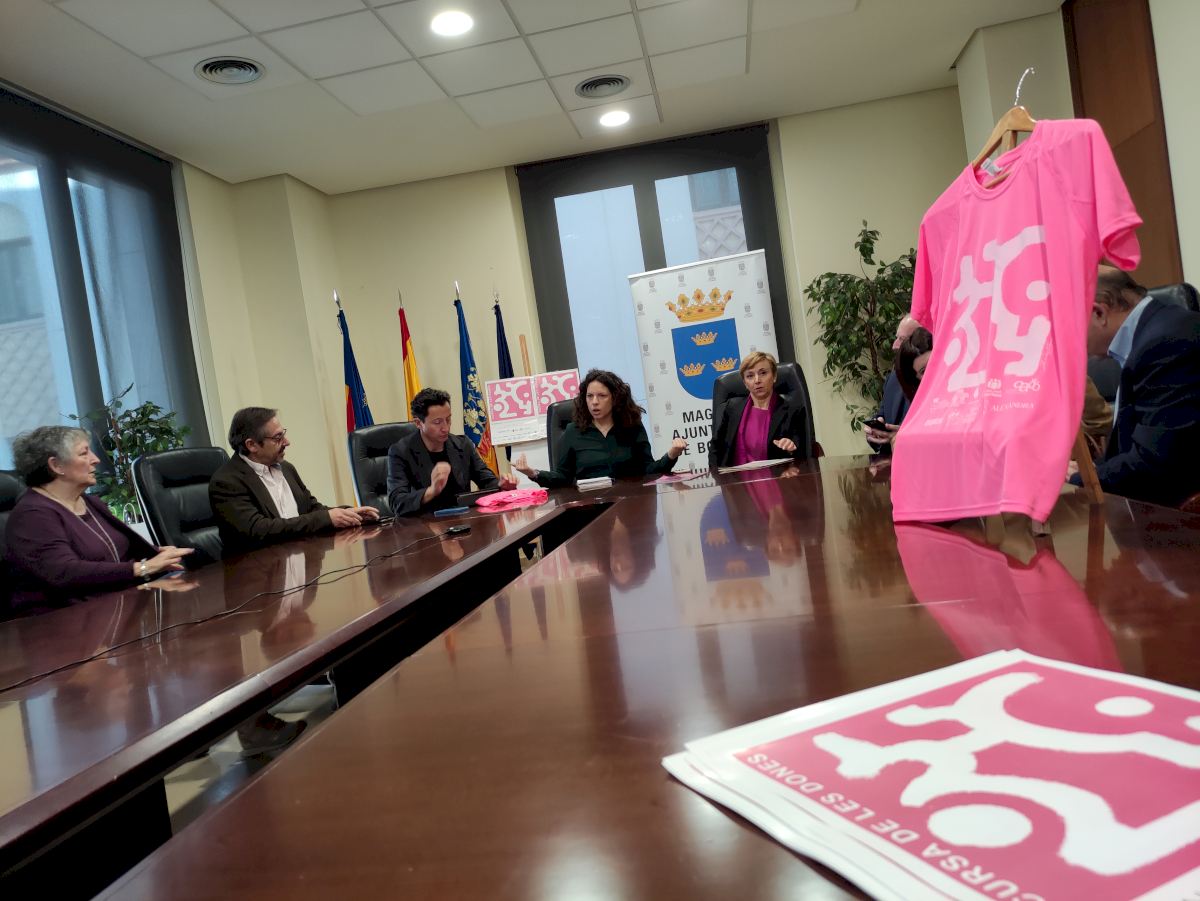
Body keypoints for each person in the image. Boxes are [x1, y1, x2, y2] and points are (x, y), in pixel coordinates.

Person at [5, 426, 193, 613]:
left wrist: (156, 553)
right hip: (66, 620)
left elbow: (115, 551)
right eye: (84, 453)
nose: (96, 459)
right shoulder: (31, 514)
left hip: (118, 606)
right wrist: (142, 568)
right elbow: (63, 571)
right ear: (56, 466)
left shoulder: (89, 502)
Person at [1070, 266, 1200, 507]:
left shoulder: (1165, 343)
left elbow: (1153, 462)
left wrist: (1080, 479)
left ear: (1098, 312)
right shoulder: (1154, 333)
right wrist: (1091, 469)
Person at [210, 407, 378, 555]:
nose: (287, 442)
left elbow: (311, 509)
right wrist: (327, 518)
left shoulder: (286, 468)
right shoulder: (227, 482)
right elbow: (258, 530)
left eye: (283, 434)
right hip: (260, 574)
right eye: (278, 438)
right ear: (252, 445)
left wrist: (349, 514)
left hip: (302, 561)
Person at [513, 369, 686, 487]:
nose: (594, 402)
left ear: (615, 398)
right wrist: (532, 472)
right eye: (589, 396)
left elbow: (648, 471)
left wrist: (671, 455)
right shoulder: (573, 431)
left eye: (602, 396)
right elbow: (563, 477)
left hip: (631, 504)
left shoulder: (632, 426)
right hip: (590, 506)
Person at [387, 387, 516, 516]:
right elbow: (397, 502)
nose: (446, 428)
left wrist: (501, 485)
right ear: (418, 423)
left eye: (448, 419)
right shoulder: (401, 452)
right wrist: (431, 491)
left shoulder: (463, 445)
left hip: (464, 519)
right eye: (437, 422)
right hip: (425, 523)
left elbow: (487, 481)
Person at [707, 352, 812, 469]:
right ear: (745, 383)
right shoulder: (732, 408)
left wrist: (791, 447)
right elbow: (716, 447)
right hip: (734, 478)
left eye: (763, 373)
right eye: (750, 376)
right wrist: (716, 475)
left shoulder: (792, 410)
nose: (757, 380)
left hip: (777, 476)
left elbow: (803, 449)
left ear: (774, 376)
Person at [866, 327, 932, 453]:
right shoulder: (893, 379)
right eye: (896, 338)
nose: (894, 345)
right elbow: (882, 415)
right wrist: (876, 431)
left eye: (901, 339)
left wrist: (906, 437)